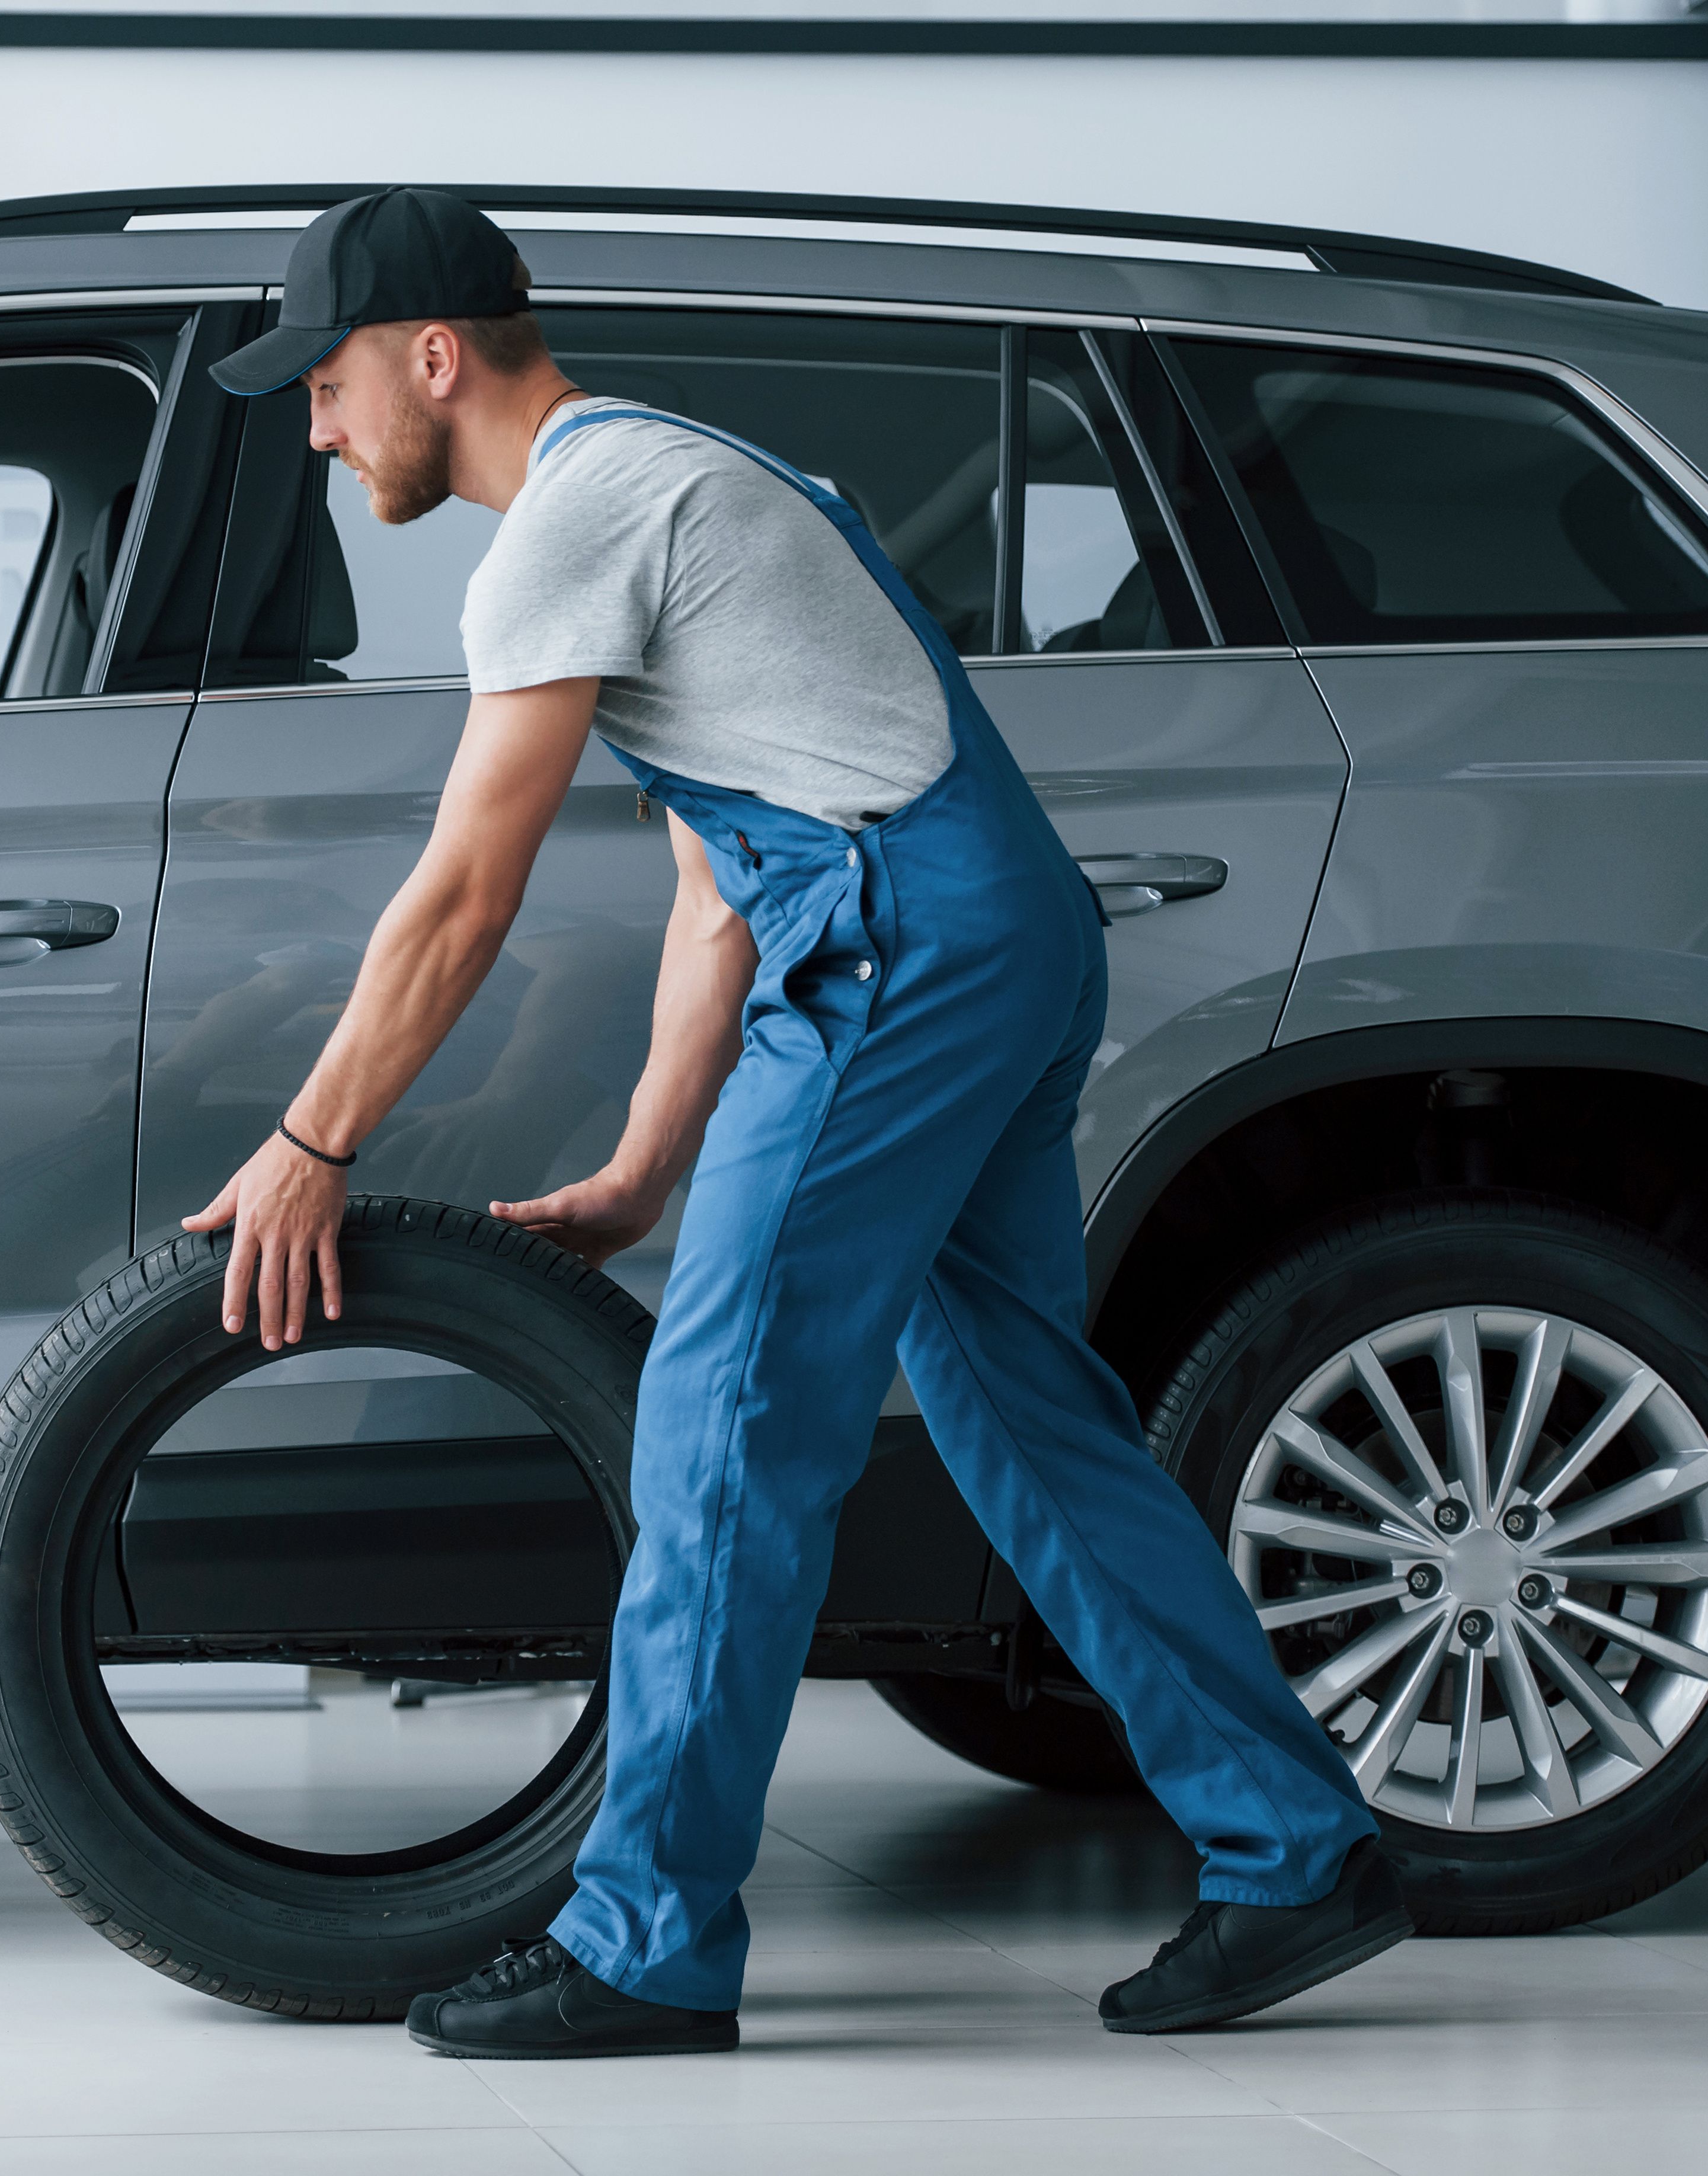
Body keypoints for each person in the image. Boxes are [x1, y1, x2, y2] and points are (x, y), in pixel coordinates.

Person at [182, 188, 1409, 2059]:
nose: (318, 422)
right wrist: (648, 1169)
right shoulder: (682, 478)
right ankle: (1296, 1849)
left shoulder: (567, 531)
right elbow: (713, 883)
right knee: (1026, 1423)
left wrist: (313, 1139)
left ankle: (643, 1945)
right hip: (983, 929)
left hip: (898, 948)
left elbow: (459, 898)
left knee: (725, 1426)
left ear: (432, 356)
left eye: (329, 380)